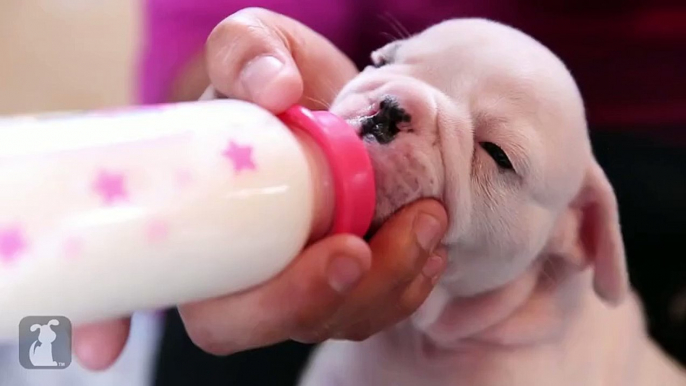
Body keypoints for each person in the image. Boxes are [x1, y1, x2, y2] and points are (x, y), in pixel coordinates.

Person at [78, 2, 686, 385]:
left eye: (495, 154)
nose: (393, 111)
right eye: (391, 61)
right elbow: (217, 46)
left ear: (580, 235)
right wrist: (247, 117)